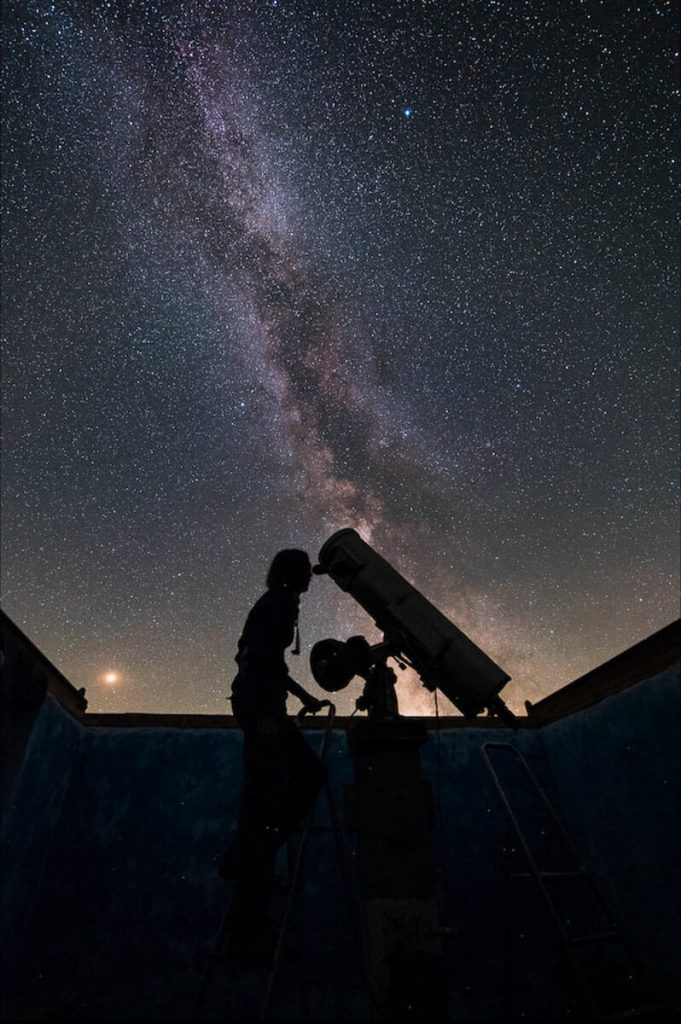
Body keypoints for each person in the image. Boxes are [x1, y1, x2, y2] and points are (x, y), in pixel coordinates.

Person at [225, 548, 326, 964]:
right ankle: (254, 853)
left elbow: (270, 661)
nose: (310, 577)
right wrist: (267, 714)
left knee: (264, 796)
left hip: (261, 705)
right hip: (260, 707)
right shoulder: (280, 603)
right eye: (305, 571)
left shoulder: (280, 603)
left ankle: (252, 850)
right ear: (291, 573)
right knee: (304, 776)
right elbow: (256, 658)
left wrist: (303, 697)